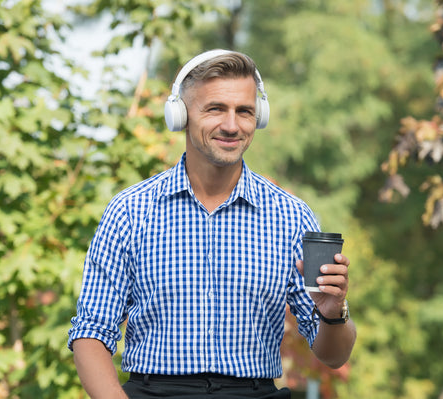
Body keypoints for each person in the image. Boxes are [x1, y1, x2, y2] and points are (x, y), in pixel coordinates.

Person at [68, 49, 356, 399]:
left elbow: (333, 354)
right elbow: (91, 332)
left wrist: (332, 314)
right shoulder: (130, 211)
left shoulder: (292, 217)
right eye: (216, 109)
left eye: (245, 111)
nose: (232, 125)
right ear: (180, 115)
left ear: (259, 117)